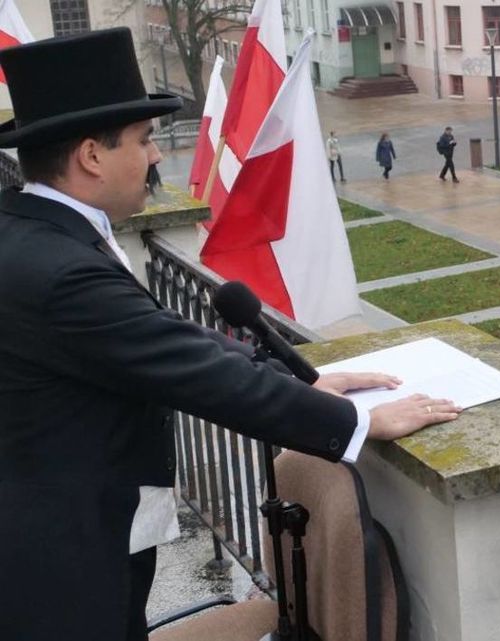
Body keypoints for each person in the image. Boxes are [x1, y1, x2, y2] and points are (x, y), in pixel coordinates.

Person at [0, 29, 463, 641]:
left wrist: (304, 378)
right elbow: (196, 371)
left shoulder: (32, 233)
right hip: (58, 561)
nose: (159, 156)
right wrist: (355, 423)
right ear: (91, 156)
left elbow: (162, 335)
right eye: (144, 141)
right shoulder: (60, 272)